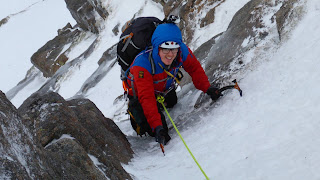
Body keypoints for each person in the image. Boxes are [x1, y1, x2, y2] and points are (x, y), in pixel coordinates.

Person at [125, 23, 221, 145]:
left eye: (174, 48)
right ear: (157, 47)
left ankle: (160, 106)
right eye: (165, 48)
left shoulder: (182, 52)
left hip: (163, 88)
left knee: (172, 102)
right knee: (156, 130)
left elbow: (194, 69)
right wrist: (157, 127)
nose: (170, 54)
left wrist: (208, 88)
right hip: (141, 95)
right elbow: (146, 97)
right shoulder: (142, 64)